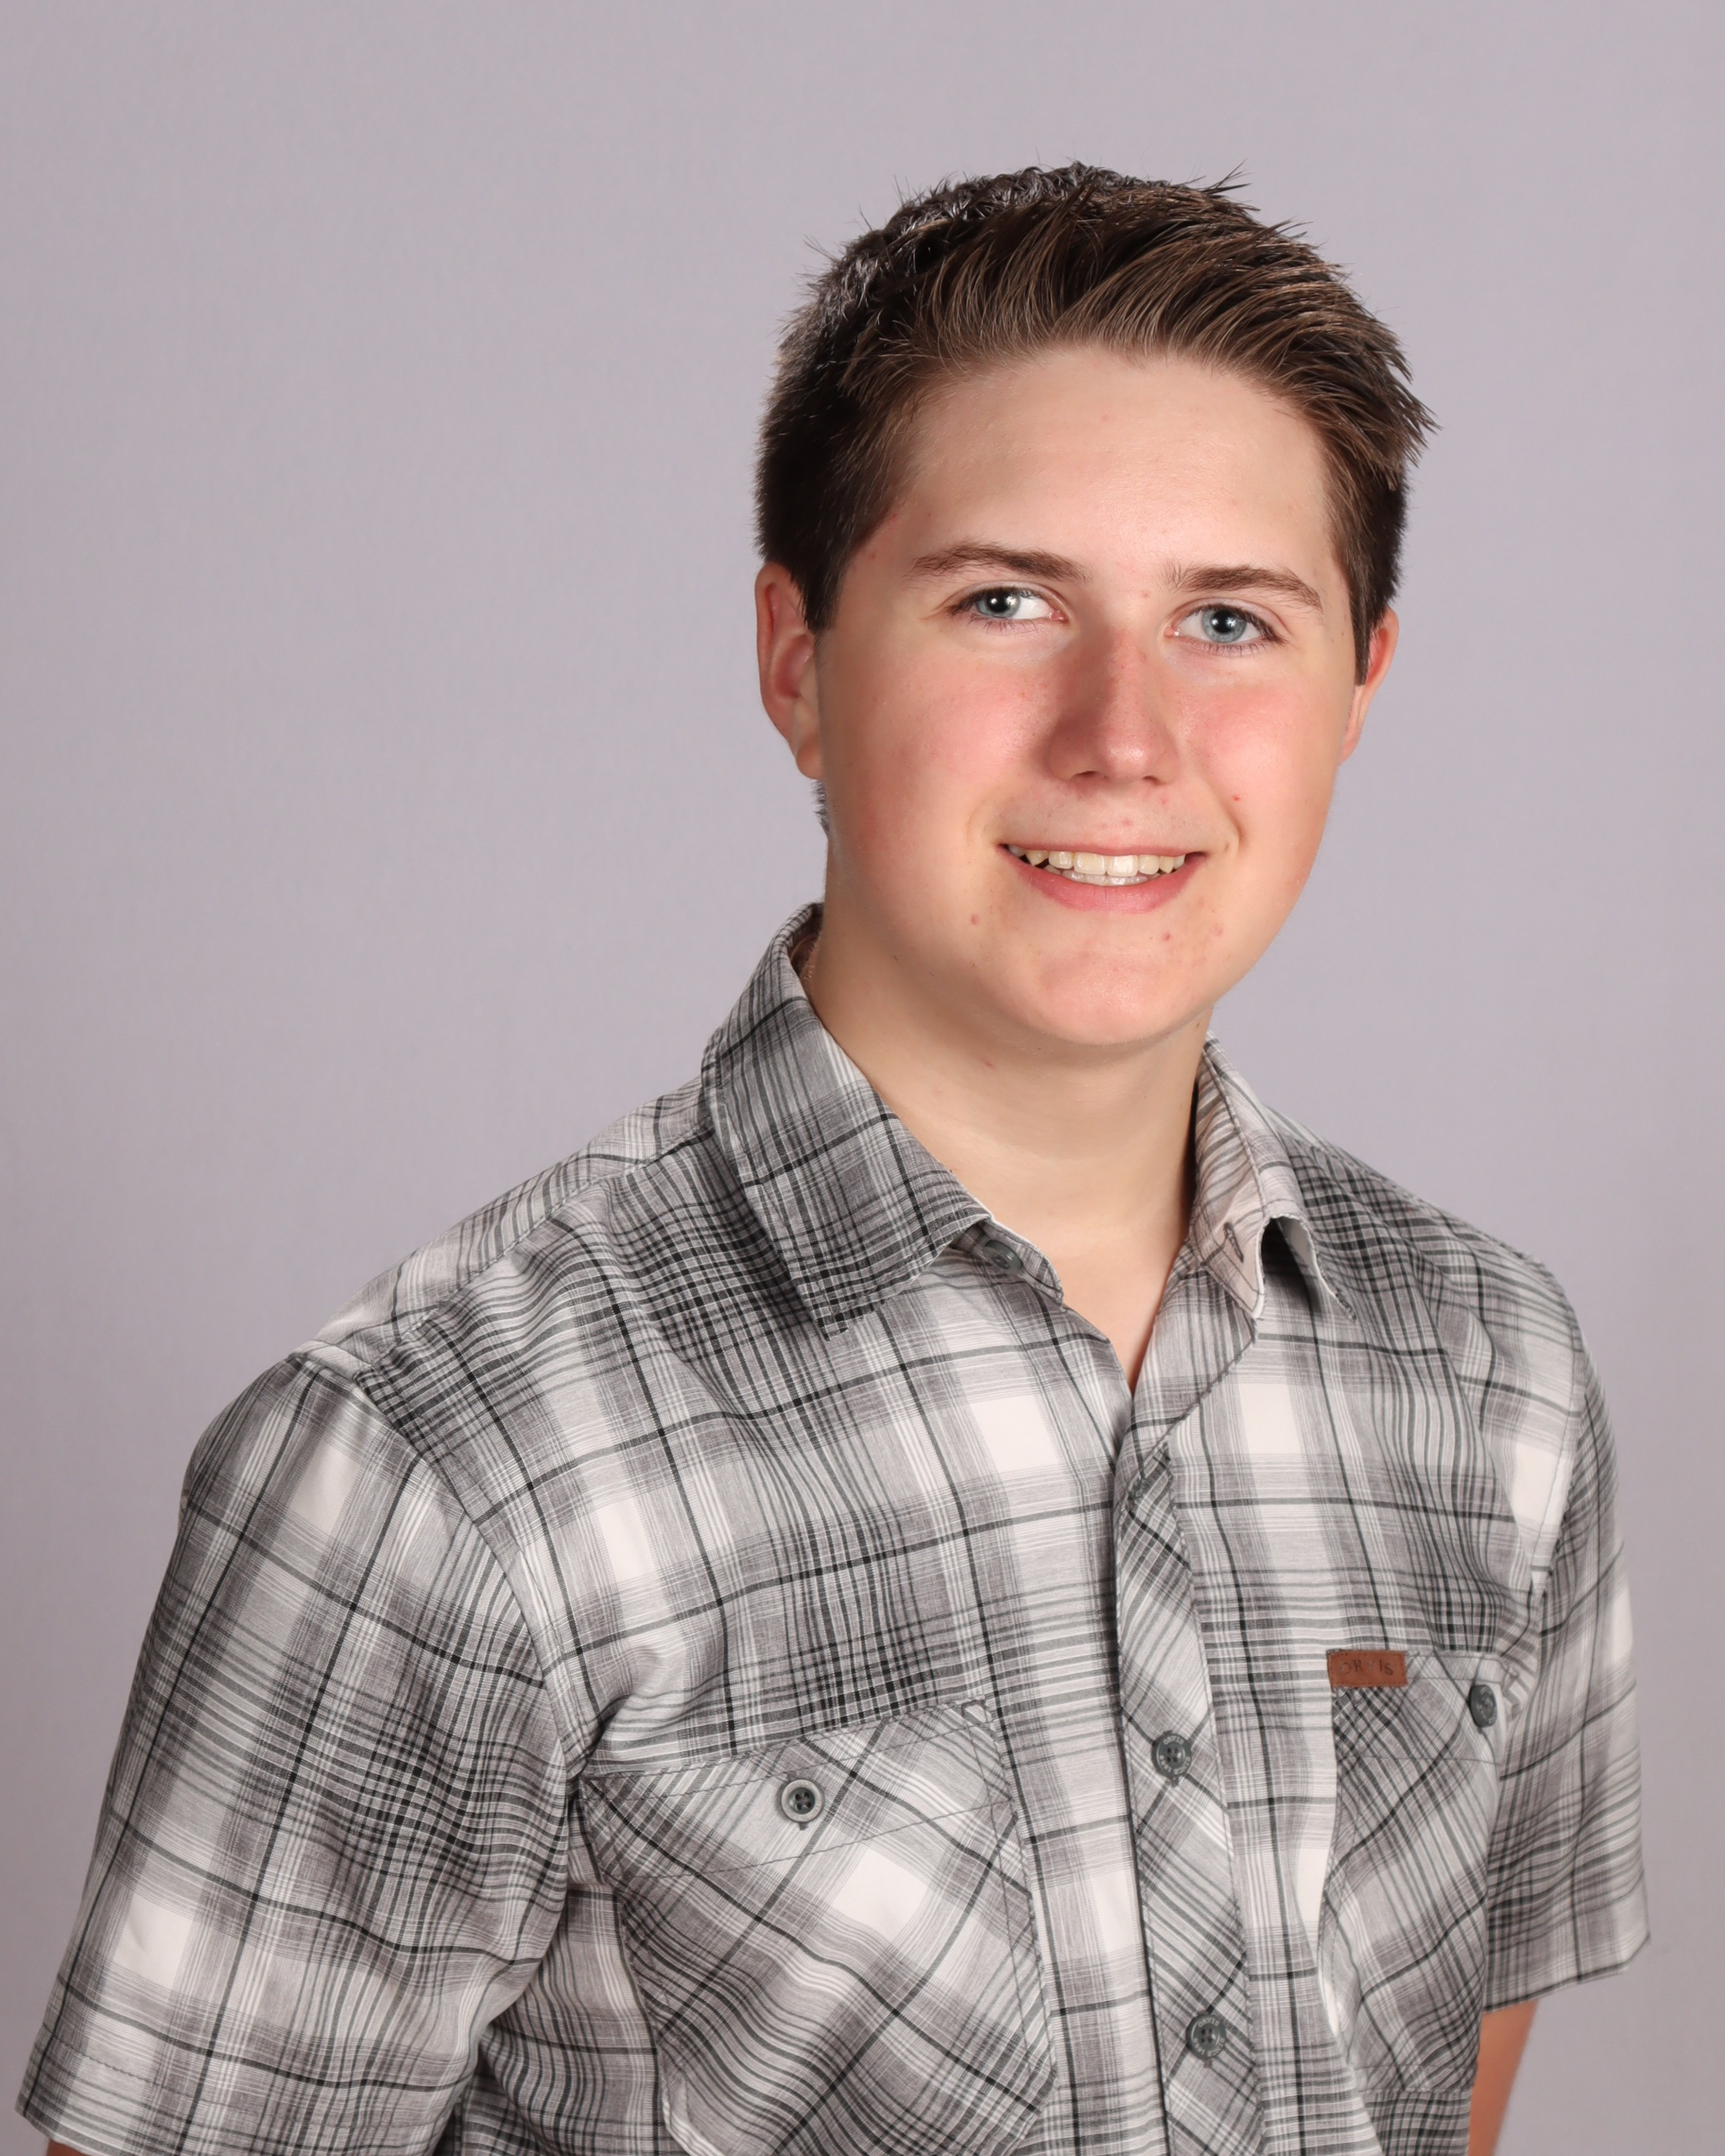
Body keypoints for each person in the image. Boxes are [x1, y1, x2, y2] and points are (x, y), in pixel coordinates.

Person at [21, 164, 1645, 2156]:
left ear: (1359, 691)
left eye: (1230, 621)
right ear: (798, 660)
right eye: (1005, 603)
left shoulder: (1493, 1374)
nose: (1124, 736)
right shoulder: (436, 1469)